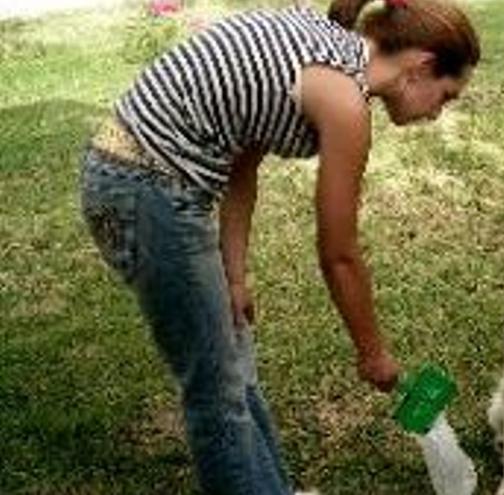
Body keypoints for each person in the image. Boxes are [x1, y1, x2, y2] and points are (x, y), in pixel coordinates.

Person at [79, 0, 480, 492]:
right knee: (216, 391)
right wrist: (373, 352)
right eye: (447, 96)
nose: (438, 113)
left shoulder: (326, 45)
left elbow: (241, 161)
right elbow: (338, 252)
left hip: (148, 184)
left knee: (235, 369)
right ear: (420, 67)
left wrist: (235, 275)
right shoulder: (344, 98)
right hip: (144, 189)